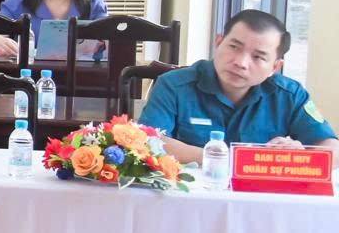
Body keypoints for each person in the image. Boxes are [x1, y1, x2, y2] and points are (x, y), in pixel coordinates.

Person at [140, 10, 334, 161]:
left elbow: (332, 148)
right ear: (218, 42)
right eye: (234, 47)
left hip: (259, 196)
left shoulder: (290, 95)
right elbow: (149, 140)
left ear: (275, 67)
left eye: (258, 57)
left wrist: (300, 156)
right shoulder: (173, 85)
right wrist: (236, 159)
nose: (241, 62)